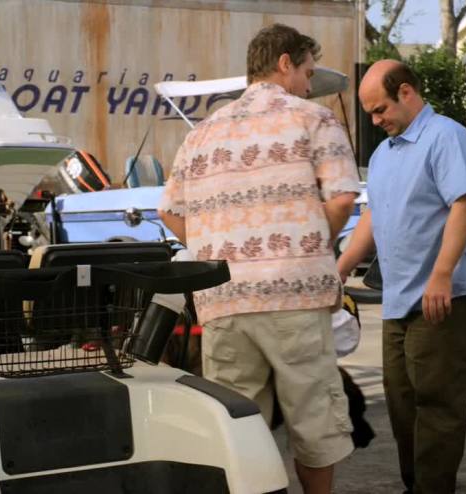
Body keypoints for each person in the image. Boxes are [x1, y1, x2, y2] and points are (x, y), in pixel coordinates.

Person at [159, 23, 360, 494]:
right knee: (315, 424)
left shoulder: (202, 133)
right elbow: (342, 199)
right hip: (295, 299)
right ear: (285, 64)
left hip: (225, 301)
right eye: (307, 72)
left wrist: (216, 252)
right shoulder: (314, 119)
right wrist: (306, 249)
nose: (309, 86)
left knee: (239, 427)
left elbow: (168, 210)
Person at [337, 60, 466, 494]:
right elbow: (373, 214)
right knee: (401, 403)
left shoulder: (446, 137)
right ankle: (417, 486)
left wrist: (442, 274)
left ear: (406, 92)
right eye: (370, 113)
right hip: (399, 298)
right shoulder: (384, 154)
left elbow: (464, 205)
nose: (375, 120)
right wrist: (341, 268)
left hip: (443, 297)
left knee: (438, 406)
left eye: (380, 109)